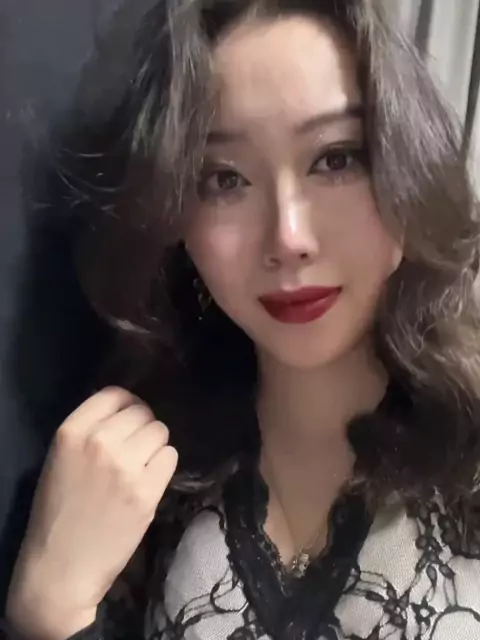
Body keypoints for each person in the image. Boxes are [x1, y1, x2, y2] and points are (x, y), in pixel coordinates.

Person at [4, 0, 480, 638]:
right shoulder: (138, 481)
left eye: (336, 158)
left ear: (407, 171)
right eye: (224, 179)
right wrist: (44, 615)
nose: (288, 238)